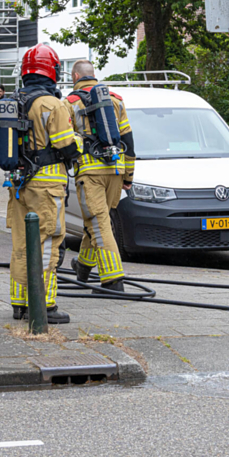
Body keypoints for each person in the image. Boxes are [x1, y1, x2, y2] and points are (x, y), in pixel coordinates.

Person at [7, 44, 79, 324]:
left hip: (18, 183)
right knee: (48, 241)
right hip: (46, 185)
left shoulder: (14, 100)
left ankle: (20, 303)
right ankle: (45, 306)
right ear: (52, 71)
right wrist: (80, 142)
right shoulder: (52, 104)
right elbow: (65, 145)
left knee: (21, 242)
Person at [64, 60, 135, 293]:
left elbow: (64, 143)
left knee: (99, 223)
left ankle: (113, 281)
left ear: (75, 76)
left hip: (90, 173)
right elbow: (128, 140)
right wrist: (128, 176)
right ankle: (83, 268)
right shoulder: (116, 100)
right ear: (93, 75)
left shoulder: (70, 103)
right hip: (115, 170)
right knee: (97, 221)